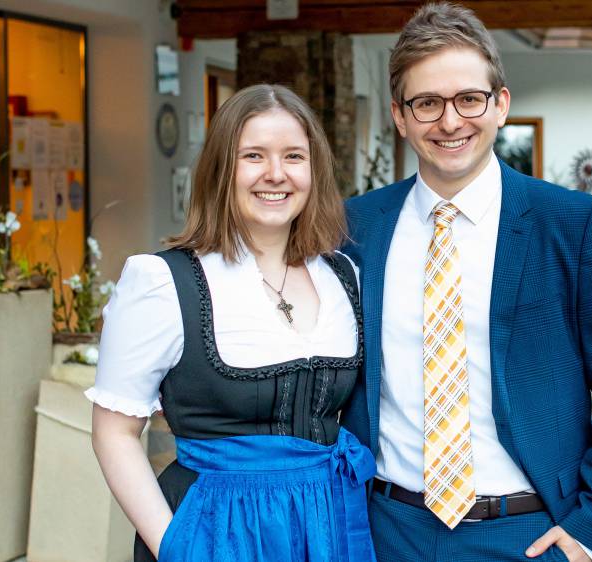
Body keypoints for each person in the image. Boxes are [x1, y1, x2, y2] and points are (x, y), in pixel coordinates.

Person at [340, 4, 592, 562]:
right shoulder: (356, 227)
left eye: (468, 99)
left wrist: (591, 531)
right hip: (387, 530)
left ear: (500, 104)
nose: (450, 121)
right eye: (427, 103)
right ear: (400, 115)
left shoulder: (571, 224)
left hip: (529, 535)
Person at [88, 84, 376, 562]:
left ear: (315, 170)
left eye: (294, 157)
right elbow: (114, 434)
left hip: (329, 526)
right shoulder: (163, 282)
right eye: (254, 156)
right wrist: (177, 546)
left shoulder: (345, 275)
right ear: (223, 169)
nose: (276, 174)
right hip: (217, 532)